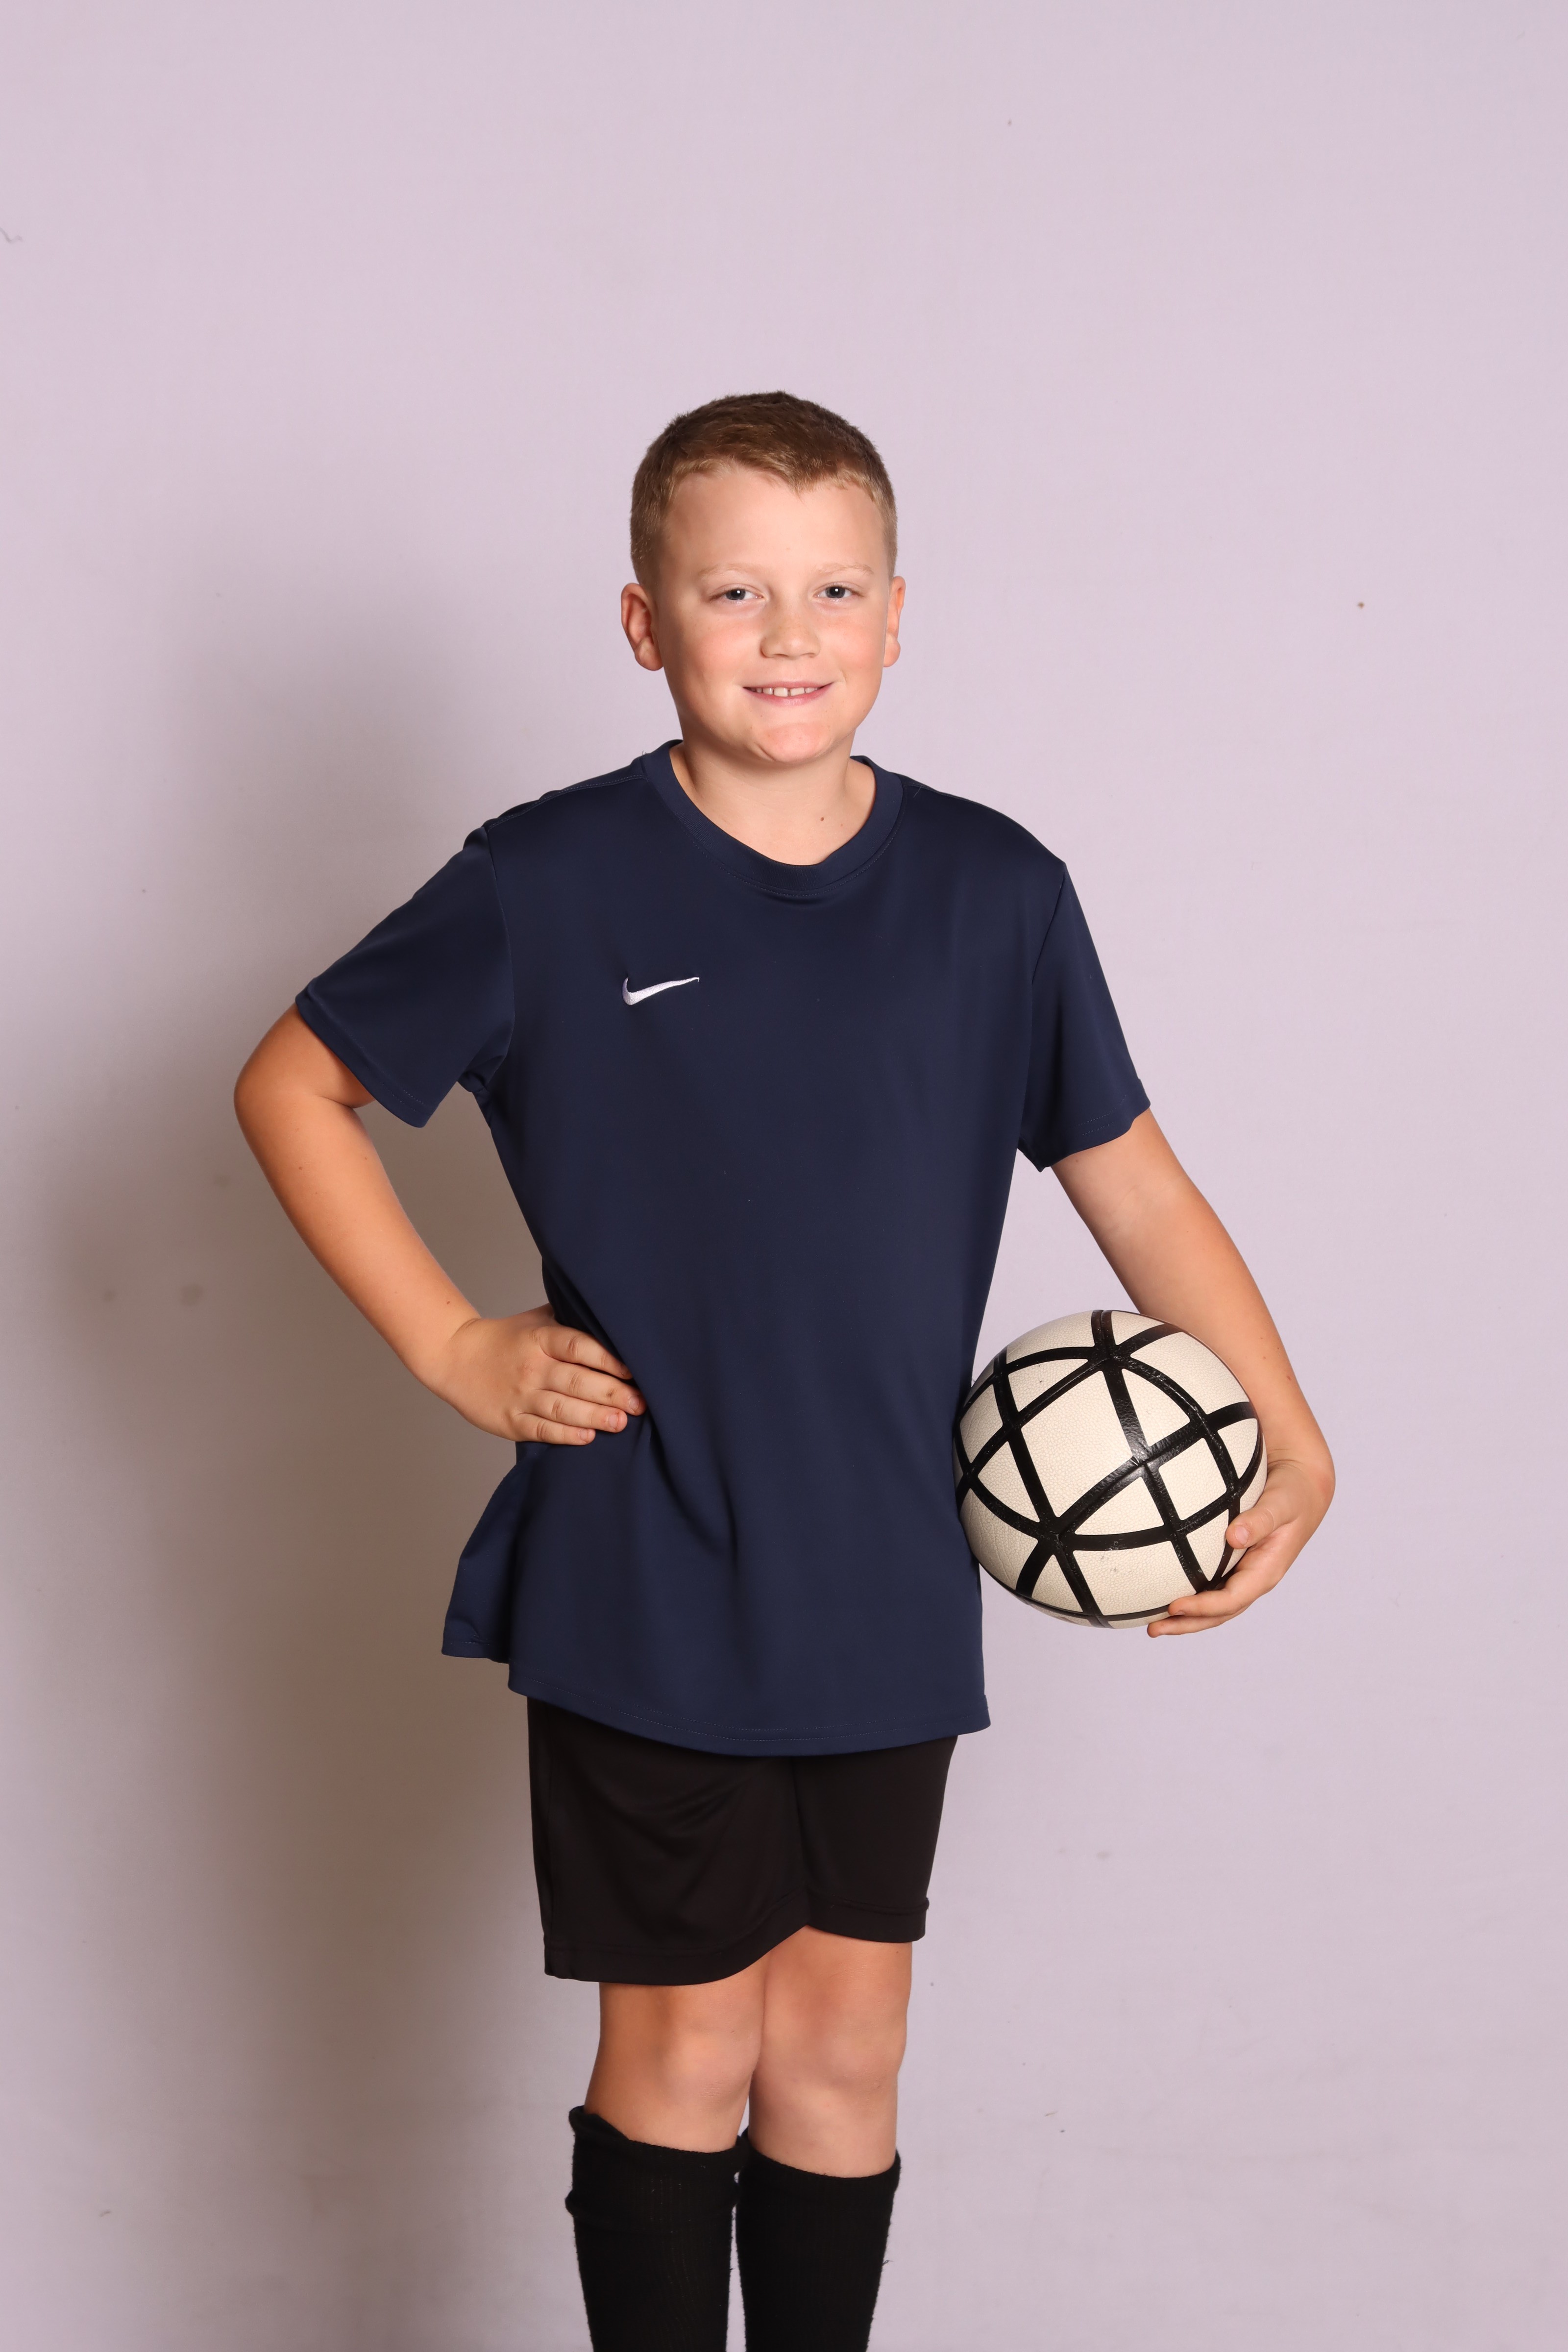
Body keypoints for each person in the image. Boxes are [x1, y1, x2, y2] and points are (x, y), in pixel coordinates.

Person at [235, 392, 1333, 2351]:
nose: (787, 633)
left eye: (832, 589)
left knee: (843, 2048)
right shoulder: (548, 879)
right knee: (684, 2048)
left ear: (898, 616)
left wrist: (1289, 1429)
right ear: (643, 621)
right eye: (732, 590)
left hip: (888, 1570)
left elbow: (1135, 1180)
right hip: (652, 1562)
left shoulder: (997, 891)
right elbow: (293, 1084)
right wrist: (455, 1340)